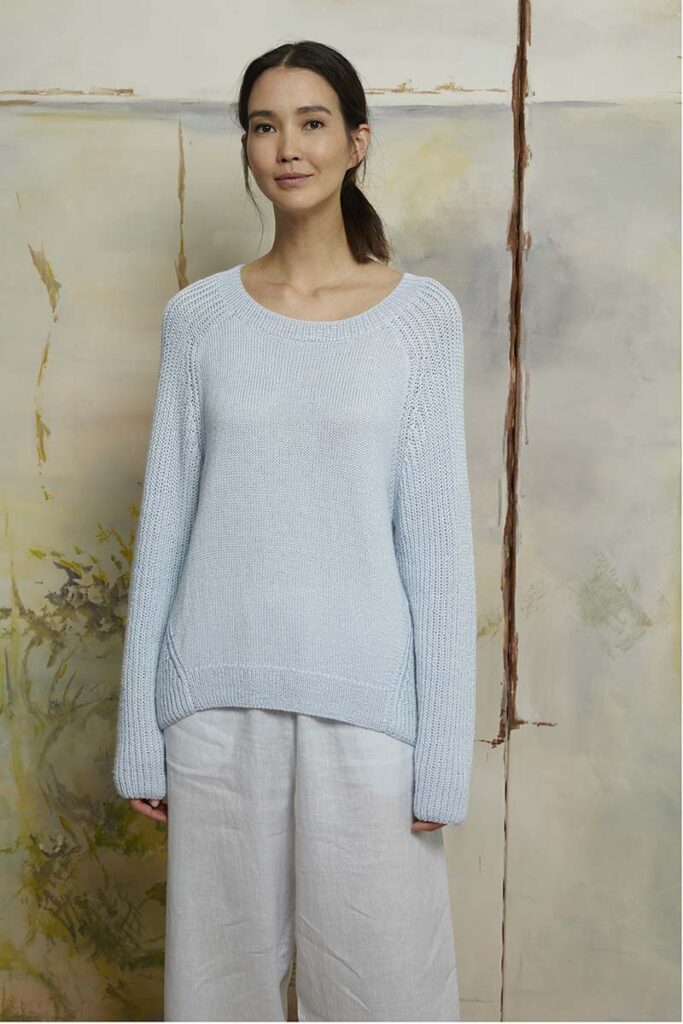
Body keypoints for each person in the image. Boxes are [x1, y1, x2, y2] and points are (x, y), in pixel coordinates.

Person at [113, 38, 477, 1023]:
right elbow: (167, 529)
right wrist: (140, 733)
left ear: (356, 141)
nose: (287, 147)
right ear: (245, 145)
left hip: (367, 715)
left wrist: (442, 754)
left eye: (311, 122)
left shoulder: (419, 320)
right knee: (216, 998)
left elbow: (436, 548)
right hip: (212, 707)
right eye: (263, 126)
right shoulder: (198, 321)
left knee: (385, 994)